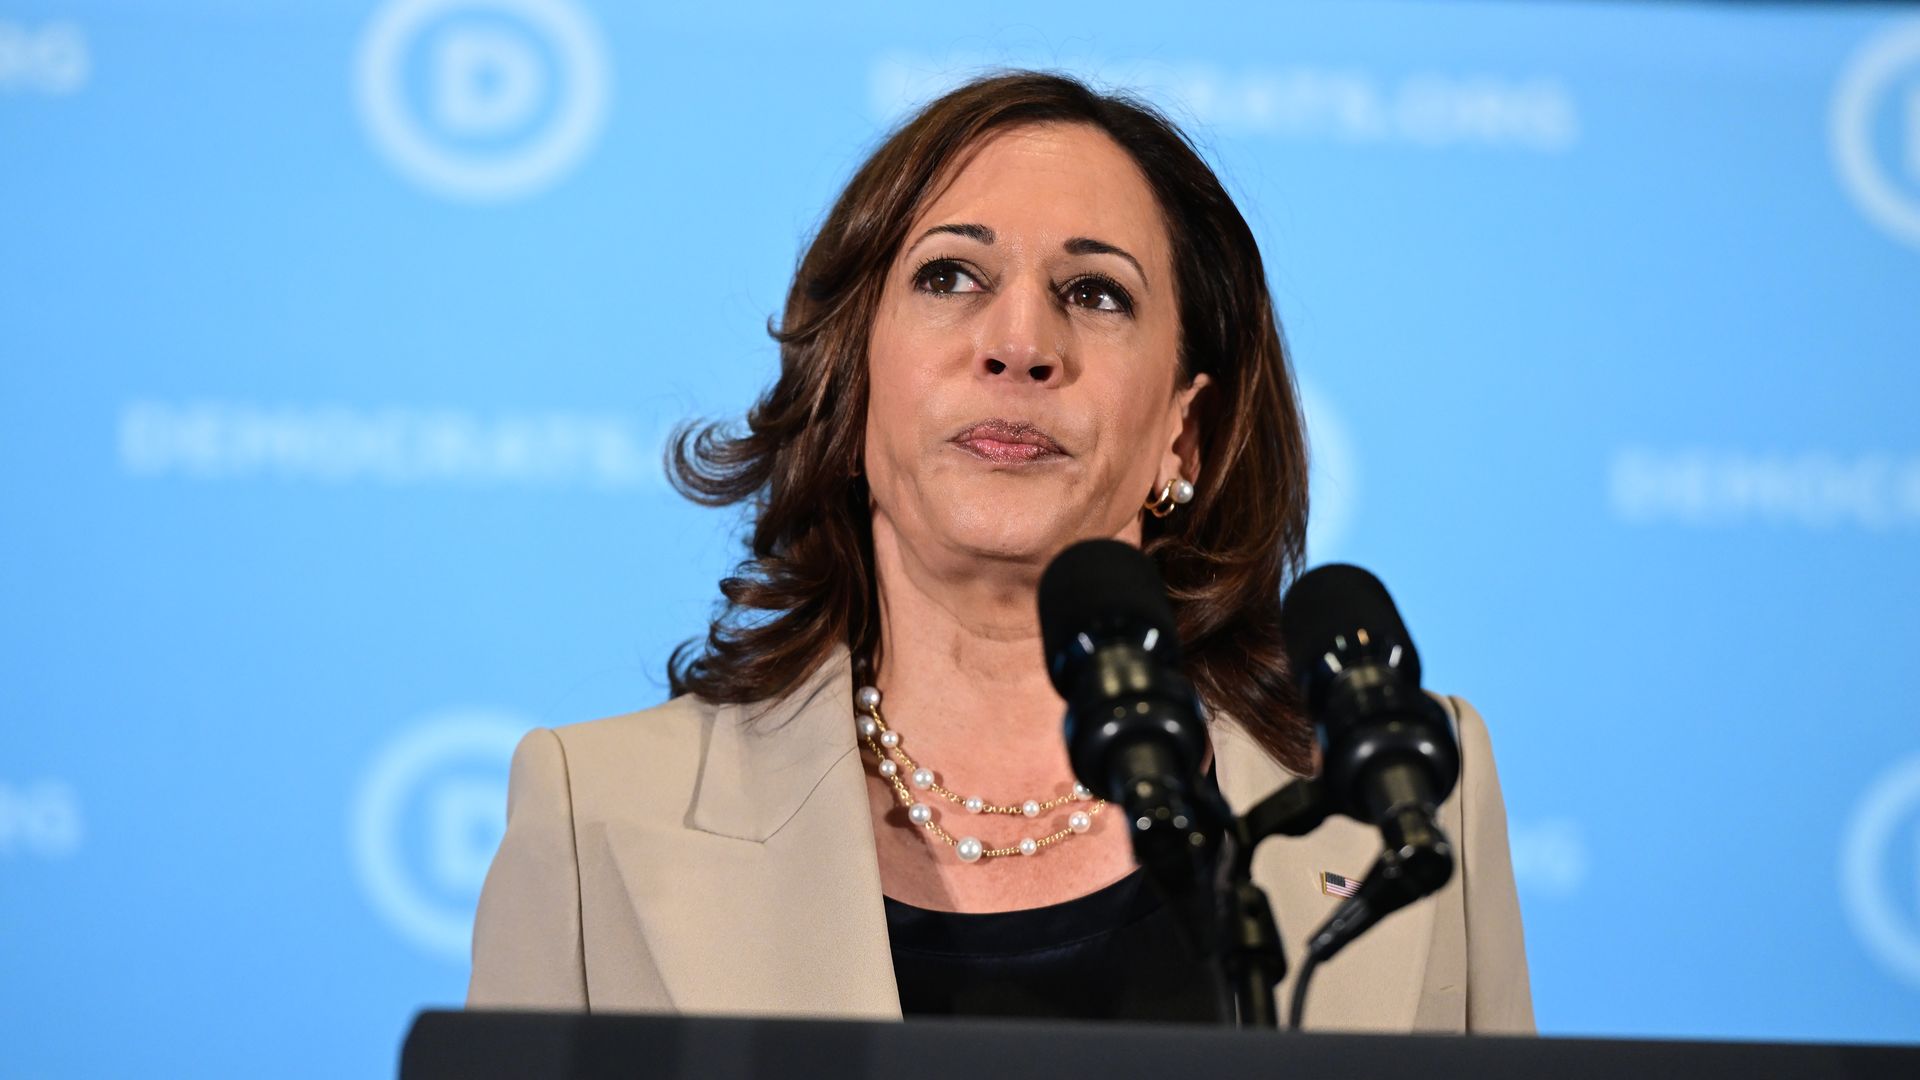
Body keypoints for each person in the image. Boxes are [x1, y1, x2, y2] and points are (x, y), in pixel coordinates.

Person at [466, 70, 1534, 1033]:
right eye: (951, 276)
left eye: (1095, 293)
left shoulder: (1408, 787)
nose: (1020, 344)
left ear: (1184, 431)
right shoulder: (597, 810)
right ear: (851, 384)